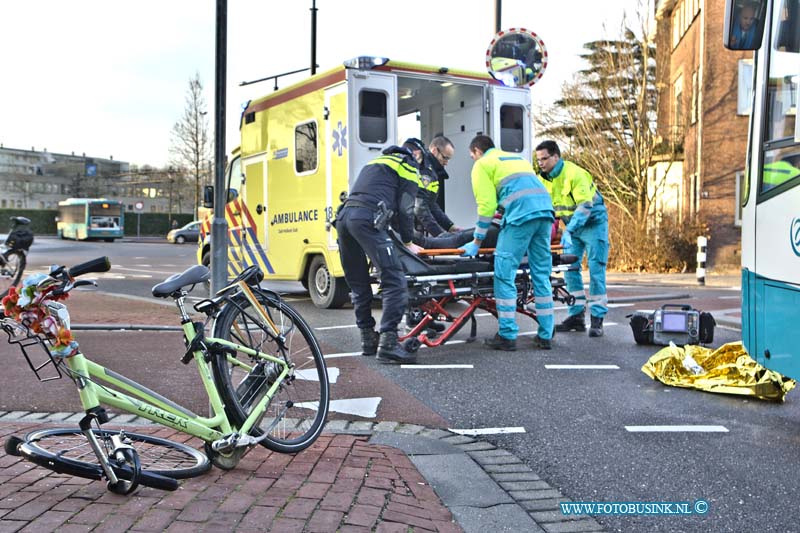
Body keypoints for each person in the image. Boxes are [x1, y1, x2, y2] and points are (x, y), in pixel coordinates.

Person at [463, 135, 555, 350]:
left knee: (504, 273)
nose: (473, 160)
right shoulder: (517, 159)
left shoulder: (482, 165)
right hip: (544, 214)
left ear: (477, 151)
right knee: (541, 275)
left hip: (521, 218)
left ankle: (507, 335)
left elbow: (486, 206)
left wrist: (476, 241)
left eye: (472, 156)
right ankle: (546, 334)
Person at [336, 139, 424, 364]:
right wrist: (407, 241)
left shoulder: (376, 162)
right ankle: (389, 343)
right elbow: (406, 208)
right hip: (367, 219)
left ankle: (368, 339)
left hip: (345, 218)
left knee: (359, 282)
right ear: (415, 153)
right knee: (394, 278)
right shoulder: (408, 165)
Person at [535, 140, 609, 338]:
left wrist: (568, 231)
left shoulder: (574, 174)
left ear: (556, 157)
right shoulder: (542, 179)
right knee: (570, 270)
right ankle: (576, 316)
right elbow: (548, 210)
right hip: (572, 228)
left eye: (544, 159)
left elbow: (585, 206)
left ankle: (597, 319)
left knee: (596, 269)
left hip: (593, 223)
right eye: (538, 160)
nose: (541, 163)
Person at [414, 136, 460, 237]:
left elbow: (431, 204)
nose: (446, 163)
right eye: (445, 158)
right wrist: (440, 234)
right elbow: (420, 207)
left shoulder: (432, 171)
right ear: (434, 150)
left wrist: (449, 226)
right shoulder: (424, 170)